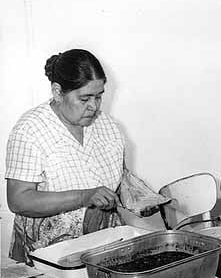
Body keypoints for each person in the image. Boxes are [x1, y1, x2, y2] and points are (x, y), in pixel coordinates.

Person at [6, 49, 136, 264]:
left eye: (99, 96)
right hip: (51, 253)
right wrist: (84, 196)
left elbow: (120, 178)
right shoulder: (30, 130)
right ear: (58, 92)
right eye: (84, 98)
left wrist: (145, 196)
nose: (93, 106)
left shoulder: (108, 125)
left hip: (104, 244)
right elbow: (19, 200)